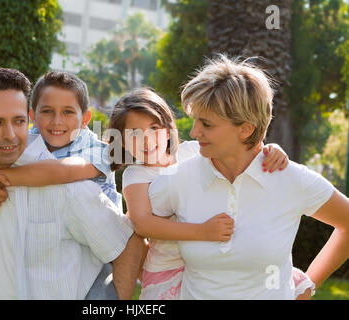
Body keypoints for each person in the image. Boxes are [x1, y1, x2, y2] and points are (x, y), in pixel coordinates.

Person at [147, 55, 349, 299]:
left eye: (207, 124)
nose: (194, 131)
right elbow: (135, 226)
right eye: (195, 121)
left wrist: (306, 286)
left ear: (246, 129)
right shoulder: (180, 177)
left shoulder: (289, 179)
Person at [0, 67, 143, 299]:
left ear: (85, 118)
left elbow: (128, 244)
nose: (10, 134)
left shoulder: (71, 180)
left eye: (17, 121)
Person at [107, 87, 312, 300]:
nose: (147, 140)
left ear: (168, 129)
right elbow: (143, 223)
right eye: (134, 134)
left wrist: (271, 150)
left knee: (296, 285)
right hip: (170, 268)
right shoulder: (136, 174)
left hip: (213, 261)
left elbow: (238, 153)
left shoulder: (194, 152)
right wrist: (203, 231)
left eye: (153, 128)